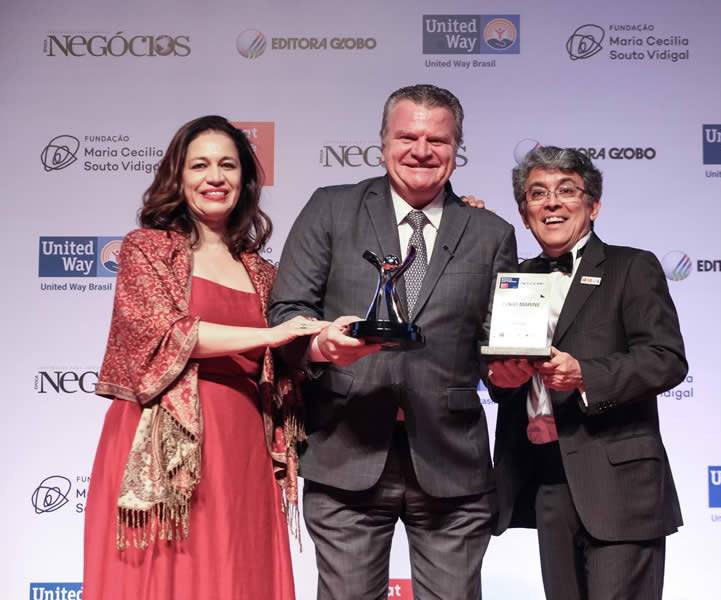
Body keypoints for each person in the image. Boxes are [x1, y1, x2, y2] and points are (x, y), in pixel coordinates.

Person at [269, 84, 518, 600]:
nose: (422, 150)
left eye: (438, 140)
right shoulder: (331, 209)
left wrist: (508, 373)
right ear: (382, 143)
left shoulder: (491, 233)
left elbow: (499, 344)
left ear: (457, 148)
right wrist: (321, 347)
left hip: (452, 461)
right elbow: (287, 312)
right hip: (345, 451)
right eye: (407, 136)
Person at [83, 115, 323, 600]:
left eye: (228, 165)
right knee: (167, 574)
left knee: (236, 570)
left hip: (241, 442)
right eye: (200, 165)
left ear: (245, 180)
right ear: (179, 175)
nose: (215, 177)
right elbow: (164, 333)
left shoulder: (261, 271)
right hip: (160, 449)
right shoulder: (147, 249)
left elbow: (297, 346)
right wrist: (273, 333)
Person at [489, 146, 687, 600]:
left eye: (566, 191)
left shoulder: (631, 266)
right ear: (525, 213)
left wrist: (585, 375)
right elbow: (496, 375)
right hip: (546, 480)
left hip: (619, 481)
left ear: (593, 205)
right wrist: (503, 376)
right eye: (538, 193)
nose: (552, 202)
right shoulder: (513, 278)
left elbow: (666, 358)